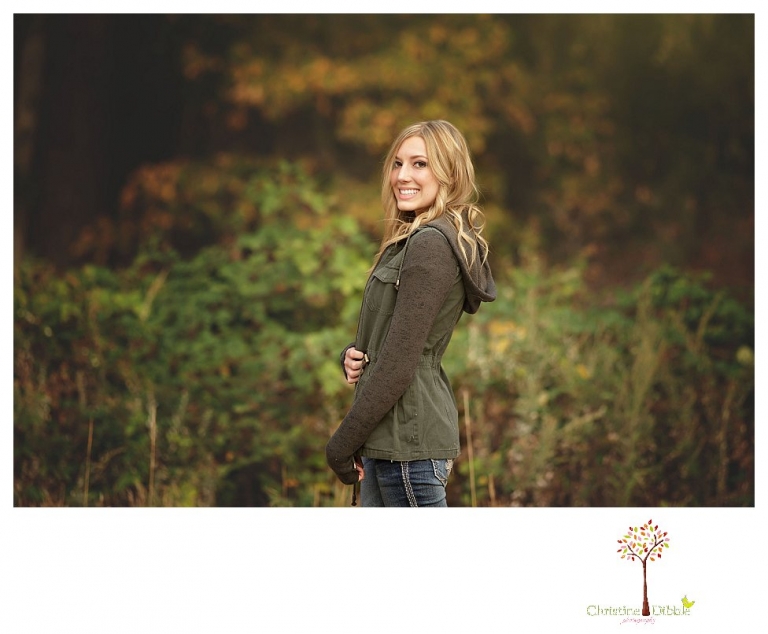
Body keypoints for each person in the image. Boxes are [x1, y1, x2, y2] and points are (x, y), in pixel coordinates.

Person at [325, 120, 496, 507]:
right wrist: (355, 354)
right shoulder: (409, 241)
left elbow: (402, 361)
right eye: (397, 163)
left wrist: (340, 446)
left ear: (450, 174)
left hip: (407, 450)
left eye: (420, 164)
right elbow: (398, 337)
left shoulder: (431, 245)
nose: (403, 176)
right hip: (387, 443)